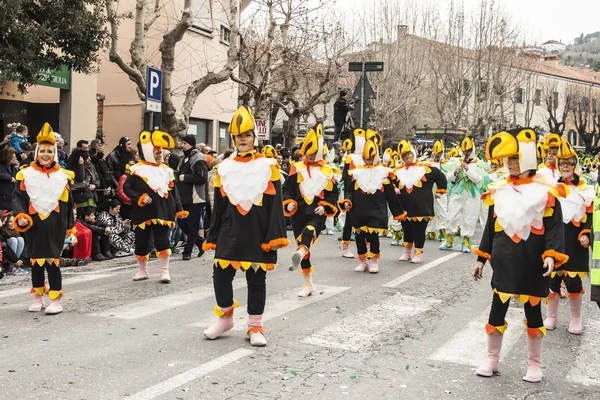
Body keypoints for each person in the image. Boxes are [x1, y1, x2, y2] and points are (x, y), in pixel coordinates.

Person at [473, 128, 567, 383]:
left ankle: (534, 364)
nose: (511, 164)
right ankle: (492, 359)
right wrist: (482, 258)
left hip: (533, 262)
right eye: (508, 159)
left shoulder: (546, 192)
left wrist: (551, 255)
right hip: (504, 260)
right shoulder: (499, 190)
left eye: (516, 158)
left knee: (533, 312)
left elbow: (555, 228)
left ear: (527, 158)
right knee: (497, 309)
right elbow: (491, 228)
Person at [202, 106, 289, 346]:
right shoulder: (224, 168)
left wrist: (274, 237)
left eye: (247, 135)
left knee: (256, 280)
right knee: (220, 276)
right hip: (230, 232)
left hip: (258, 232)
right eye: (239, 136)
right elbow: (218, 207)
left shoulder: (268, 167)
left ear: (254, 138)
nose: (243, 140)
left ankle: (255, 326)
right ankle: (226, 317)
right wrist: (213, 234)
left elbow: (275, 206)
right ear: (233, 139)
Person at [13, 123, 75, 315]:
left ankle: (55, 299)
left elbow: (68, 204)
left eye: (49, 150)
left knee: (52, 262)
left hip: (55, 225)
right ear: (36, 152)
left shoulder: (62, 177)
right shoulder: (26, 175)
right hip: (34, 225)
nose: (46, 154)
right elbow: (18, 198)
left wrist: (70, 228)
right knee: (36, 261)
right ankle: (38, 297)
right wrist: (21, 216)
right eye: (42, 150)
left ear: (55, 152)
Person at [543, 139, 593, 335]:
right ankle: (552, 316)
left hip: (575, 239)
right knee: (552, 279)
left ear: (576, 164)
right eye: (562, 163)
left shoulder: (585, 189)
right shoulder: (551, 188)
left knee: (573, 281)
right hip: (556, 238)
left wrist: (586, 233)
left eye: (569, 163)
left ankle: (576, 319)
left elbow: (589, 216)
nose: (565, 166)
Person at [283, 124, 339, 296]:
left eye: (314, 152)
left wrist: (325, 207)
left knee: (309, 232)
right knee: (304, 245)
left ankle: (299, 253)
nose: (311, 155)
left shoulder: (328, 172)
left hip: (317, 213)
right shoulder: (296, 168)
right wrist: (289, 202)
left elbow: (332, 195)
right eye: (309, 152)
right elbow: (287, 189)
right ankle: (308, 284)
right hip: (298, 212)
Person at [124, 130, 186, 283]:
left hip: (163, 211)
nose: (159, 155)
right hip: (143, 212)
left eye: (160, 152)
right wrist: (140, 197)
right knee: (142, 242)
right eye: (156, 152)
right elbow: (127, 189)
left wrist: (179, 209)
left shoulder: (166, 171)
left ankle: (164, 271)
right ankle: (142, 270)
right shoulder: (136, 170)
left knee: (163, 241)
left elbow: (174, 191)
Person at [338, 138, 406, 273]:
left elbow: (391, 195)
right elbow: (349, 191)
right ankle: (363, 261)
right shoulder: (356, 173)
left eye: (371, 158)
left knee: (373, 237)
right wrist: (347, 201)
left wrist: (397, 213)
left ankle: (374, 261)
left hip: (376, 209)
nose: (368, 160)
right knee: (359, 237)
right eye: (366, 158)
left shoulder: (384, 173)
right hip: (358, 210)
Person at [394, 140, 447, 264]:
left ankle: (418, 253)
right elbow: (391, 183)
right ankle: (407, 252)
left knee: (419, 231)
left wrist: (440, 191)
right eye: (404, 156)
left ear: (414, 154)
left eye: (409, 155)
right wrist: (394, 189)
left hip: (422, 208)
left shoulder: (425, 168)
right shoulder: (398, 171)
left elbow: (441, 177)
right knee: (407, 230)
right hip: (405, 208)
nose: (407, 158)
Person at [442, 137, 488, 253]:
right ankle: (448, 239)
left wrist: (468, 170)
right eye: (464, 151)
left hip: (472, 195)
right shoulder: (457, 162)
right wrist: (455, 173)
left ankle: (466, 241)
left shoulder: (479, 164)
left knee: (469, 217)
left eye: (468, 151)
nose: (466, 153)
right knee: (452, 215)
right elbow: (449, 178)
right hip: (457, 193)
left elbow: (479, 179)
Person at [176, 135, 209, 260]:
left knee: (192, 225)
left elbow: (202, 178)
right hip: (183, 198)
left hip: (196, 198)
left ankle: (187, 251)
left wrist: (186, 177)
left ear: (190, 144)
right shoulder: (183, 158)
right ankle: (200, 243)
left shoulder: (198, 157)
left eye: (184, 143)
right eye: (181, 143)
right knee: (181, 223)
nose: (182, 145)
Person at [426, 140, 451, 242]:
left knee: (442, 210)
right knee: (430, 210)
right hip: (429, 191)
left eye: (439, 153)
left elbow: (448, 178)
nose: (437, 155)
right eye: (436, 153)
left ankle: (442, 232)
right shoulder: (428, 163)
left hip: (441, 192)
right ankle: (430, 232)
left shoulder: (447, 164)